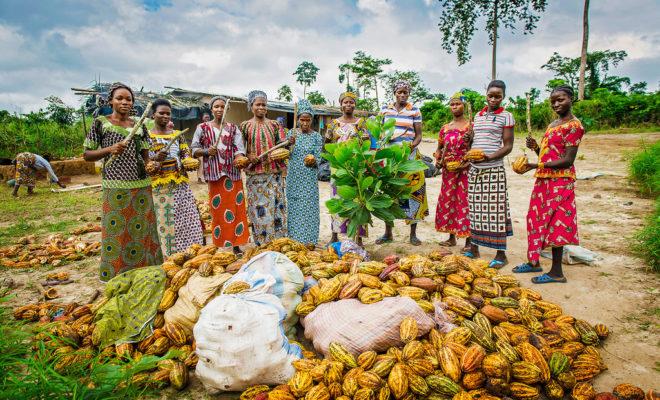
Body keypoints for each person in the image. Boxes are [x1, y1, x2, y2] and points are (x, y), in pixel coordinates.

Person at [83, 82, 163, 281]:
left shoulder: (139, 124)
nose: (124, 102)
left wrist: (155, 161)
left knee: (143, 230)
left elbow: (146, 159)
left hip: (141, 185)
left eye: (128, 99)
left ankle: (145, 271)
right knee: (116, 231)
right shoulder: (101, 122)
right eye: (119, 98)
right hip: (115, 184)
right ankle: (116, 273)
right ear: (110, 101)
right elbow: (87, 155)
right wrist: (109, 149)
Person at [513, 85, 584, 283]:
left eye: (560, 99)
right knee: (534, 219)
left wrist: (536, 164)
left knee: (556, 224)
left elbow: (568, 160)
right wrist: (536, 148)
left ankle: (556, 273)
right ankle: (534, 261)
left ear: (571, 98)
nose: (556, 104)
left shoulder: (574, 126)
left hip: (561, 181)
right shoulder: (553, 124)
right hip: (544, 180)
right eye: (553, 101)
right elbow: (549, 154)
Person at [465, 80, 514, 268]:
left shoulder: (507, 116)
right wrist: (470, 143)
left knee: (496, 212)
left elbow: (508, 145)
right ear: (486, 95)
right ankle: (474, 249)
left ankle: (501, 254)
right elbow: (474, 144)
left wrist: (489, 158)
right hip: (475, 169)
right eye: (491, 95)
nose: (493, 99)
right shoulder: (477, 116)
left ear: (503, 97)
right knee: (476, 210)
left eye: (498, 96)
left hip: (493, 170)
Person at [191, 96, 250, 254]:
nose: (219, 109)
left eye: (222, 107)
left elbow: (239, 149)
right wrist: (205, 151)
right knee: (218, 211)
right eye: (216, 106)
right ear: (211, 109)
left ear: (226, 109)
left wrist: (239, 158)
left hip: (232, 174)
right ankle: (221, 243)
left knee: (236, 209)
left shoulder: (233, 128)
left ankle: (236, 244)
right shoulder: (202, 128)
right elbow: (194, 149)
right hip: (215, 175)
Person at [147, 99, 204, 256]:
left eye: (168, 113)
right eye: (161, 113)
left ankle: (192, 252)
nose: (165, 116)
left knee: (187, 219)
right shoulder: (147, 137)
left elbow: (185, 152)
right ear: (153, 115)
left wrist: (188, 161)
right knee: (167, 222)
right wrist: (156, 158)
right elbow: (145, 161)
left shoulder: (177, 135)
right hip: (161, 188)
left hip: (181, 185)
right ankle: (171, 256)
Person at [377, 80, 428, 245]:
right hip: (390, 158)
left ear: (409, 94)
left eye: (405, 92)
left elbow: (419, 135)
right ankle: (388, 233)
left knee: (413, 192)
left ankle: (413, 234)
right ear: (395, 93)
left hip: (409, 158)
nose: (403, 95)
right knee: (388, 192)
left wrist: (410, 148)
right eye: (399, 92)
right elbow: (379, 132)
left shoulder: (414, 110)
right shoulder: (385, 109)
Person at [240, 90, 291, 246]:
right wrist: (249, 159)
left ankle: (278, 243)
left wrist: (289, 142)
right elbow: (240, 150)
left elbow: (283, 144)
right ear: (251, 106)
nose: (261, 107)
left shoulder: (275, 125)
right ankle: (262, 243)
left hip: (274, 174)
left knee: (277, 208)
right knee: (259, 209)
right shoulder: (244, 126)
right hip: (255, 176)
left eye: (264, 104)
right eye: (258, 104)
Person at [325, 91, 369, 245]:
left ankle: (359, 237)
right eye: (345, 102)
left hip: (356, 166)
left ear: (355, 105)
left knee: (358, 200)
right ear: (341, 104)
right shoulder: (333, 123)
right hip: (338, 167)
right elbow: (327, 144)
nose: (348, 105)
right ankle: (335, 234)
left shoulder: (361, 123)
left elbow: (367, 142)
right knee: (337, 199)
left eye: (351, 102)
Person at [434, 92, 472, 250]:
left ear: (464, 106)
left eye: (458, 104)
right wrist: (438, 160)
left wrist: (465, 164)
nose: (455, 107)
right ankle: (451, 238)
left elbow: (474, 149)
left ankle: (469, 242)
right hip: (448, 171)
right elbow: (440, 147)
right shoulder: (445, 128)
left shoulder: (470, 126)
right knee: (449, 202)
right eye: (452, 104)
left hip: (465, 170)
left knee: (464, 203)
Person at [286, 99, 323, 245]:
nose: (305, 123)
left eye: (308, 120)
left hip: (309, 177)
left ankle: (310, 240)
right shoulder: (291, 134)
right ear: (298, 119)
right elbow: (286, 153)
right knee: (295, 207)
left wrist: (313, 160)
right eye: (302, 120)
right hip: (294, 176)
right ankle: (295, 239)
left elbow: (318, 158)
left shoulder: (317, 137)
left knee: (309, 207)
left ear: (312, 120)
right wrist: (289, 143)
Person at [197, 112, 211, 184]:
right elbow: (198, 138)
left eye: (208, 117)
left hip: (209, 148)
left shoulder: (211, 125)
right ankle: (199, 178)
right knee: (201, 163)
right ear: (202, 118)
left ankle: (207, 178)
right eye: (206, 117)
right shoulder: (200, 126)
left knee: (208, 163)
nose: (207, 119)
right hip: (201, 148)